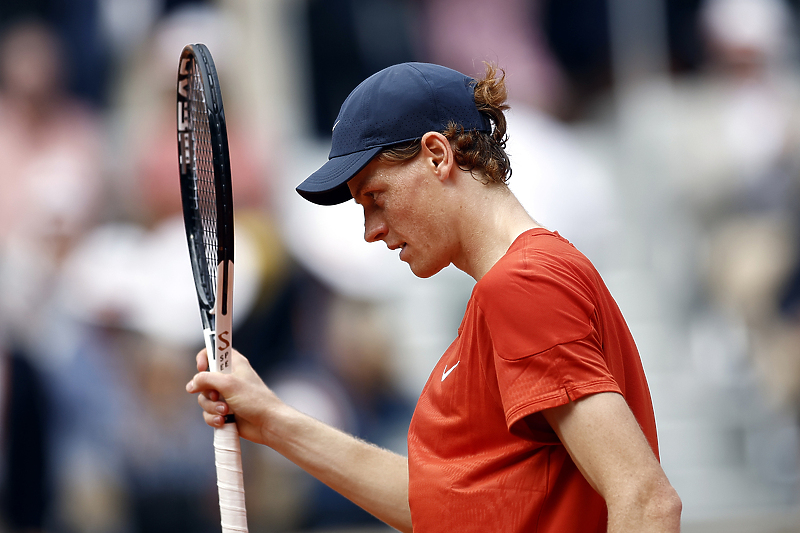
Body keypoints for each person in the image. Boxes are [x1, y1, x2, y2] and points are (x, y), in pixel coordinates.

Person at [186, 62, 682, 532]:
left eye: (374, 197)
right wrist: (272, 419)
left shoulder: (522, 285)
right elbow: (434, 507)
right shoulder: (521, 283)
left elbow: (644, 499)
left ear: (438, 155)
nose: (370, 231)